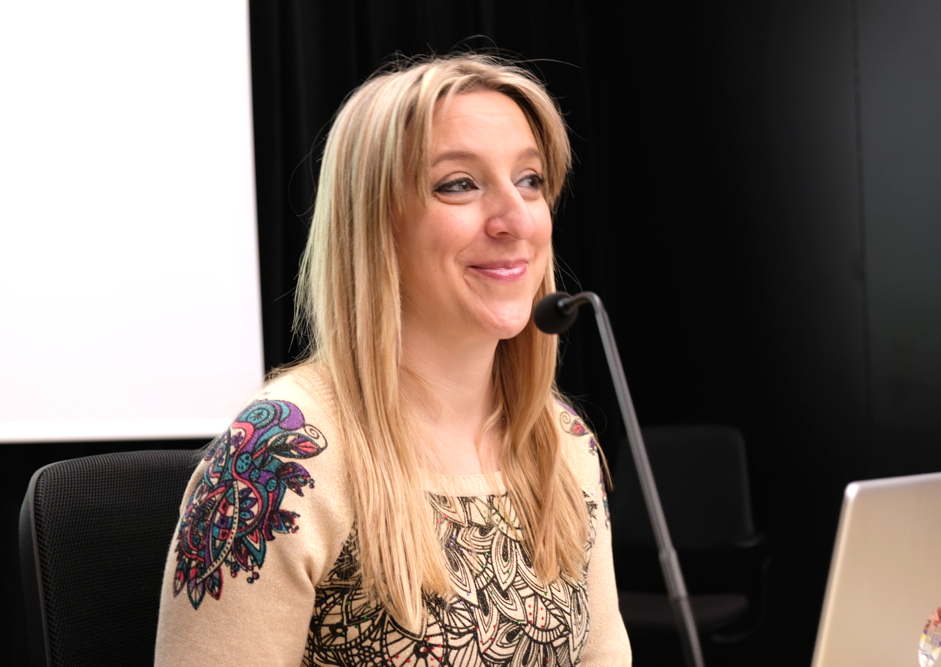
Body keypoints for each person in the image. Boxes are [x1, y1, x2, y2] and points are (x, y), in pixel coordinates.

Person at [155, 53, 630, 666]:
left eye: (530, 179)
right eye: (459, 184)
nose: (517, 219)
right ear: (376, 224)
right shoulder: (277, 456)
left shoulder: (563, 441)